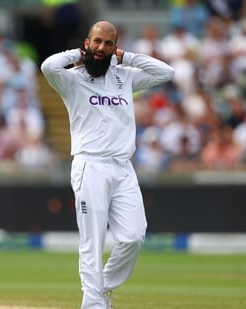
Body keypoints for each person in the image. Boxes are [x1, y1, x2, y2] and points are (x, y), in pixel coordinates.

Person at [40, 20, 174, 309]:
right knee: (93, 241)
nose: (102, 48)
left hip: (123, 168)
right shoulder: (71, 78)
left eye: (108, 44)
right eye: (97, 42)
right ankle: (94, 305)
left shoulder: (124, 76)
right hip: (90, 166)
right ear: (87, 43)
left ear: (116, 47)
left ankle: (104, 288)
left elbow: (166, 72)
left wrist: (127, 58)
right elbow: (48, 66)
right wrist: (79, 54)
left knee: (134, 237)